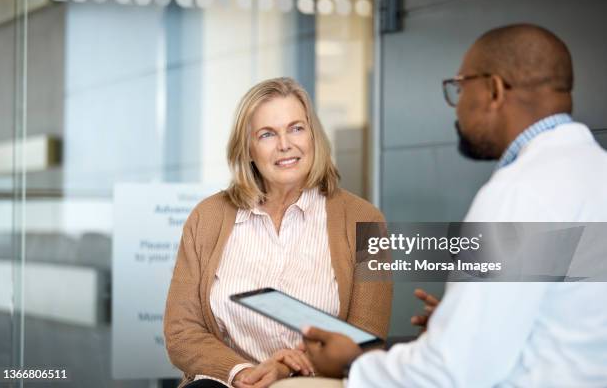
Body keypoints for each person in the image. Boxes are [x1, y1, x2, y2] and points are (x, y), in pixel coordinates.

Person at [273, 24, 607, 387]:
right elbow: (563, 320)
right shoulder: (592, 173)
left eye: (460, 87)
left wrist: (354, 364)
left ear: (493, 90)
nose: (457, 105)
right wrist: (456, 324)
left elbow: (452, 372)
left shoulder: (519, 193)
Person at [163, 77, 392, 388]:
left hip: (316, 383)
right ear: (247, 149)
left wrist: (289, 368)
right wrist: (244, 371)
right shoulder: (208, 217)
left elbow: (367, 339)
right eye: (267, 134)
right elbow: (181, 332)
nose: (285, 144)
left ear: (314, 136)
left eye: (296, 128)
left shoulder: (364, 220)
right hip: (227, 382)